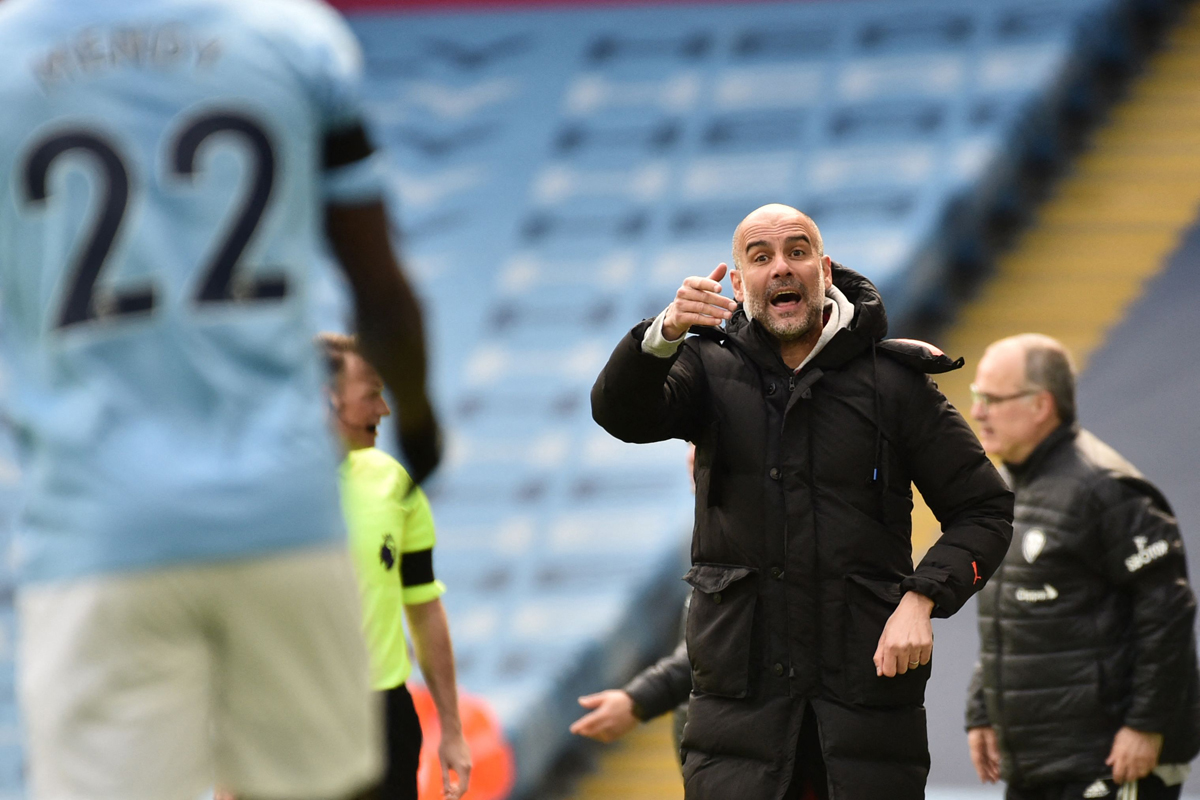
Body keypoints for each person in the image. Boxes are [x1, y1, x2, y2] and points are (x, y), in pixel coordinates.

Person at [0, 1, 441, 798]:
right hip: (285, 518)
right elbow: (380, 291)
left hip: (99, 523)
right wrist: (420, 418)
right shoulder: (292, 36)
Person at [590, 203, 1014, 799]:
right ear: (738, 284)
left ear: (824, 268)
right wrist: (662, 333)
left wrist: (923, 597)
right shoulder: (704, 366)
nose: (781, 268)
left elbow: (985, 510)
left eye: (797, 252)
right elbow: (620, 413)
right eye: (760, 258)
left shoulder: (894, 384)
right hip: (738, 723)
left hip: (866, 718)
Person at [965, 333, 1200, 800]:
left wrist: (1145, 725)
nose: (978, 412)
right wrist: (983, 710)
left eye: (992, 398)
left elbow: (1167, 617)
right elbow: (1012, 620)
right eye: (977, 397)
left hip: (1110, 764)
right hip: (1039, 766)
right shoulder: (1005, 489)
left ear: (1040, 405)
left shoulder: (1106, 490)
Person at [320, 333, 471, 800]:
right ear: (328, 401)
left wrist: (451, 728)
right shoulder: (263, 496)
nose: (384, 411)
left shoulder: (394, 482)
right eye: (371, 396)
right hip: (293, 717)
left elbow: (424, 606)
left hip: (384, 722)